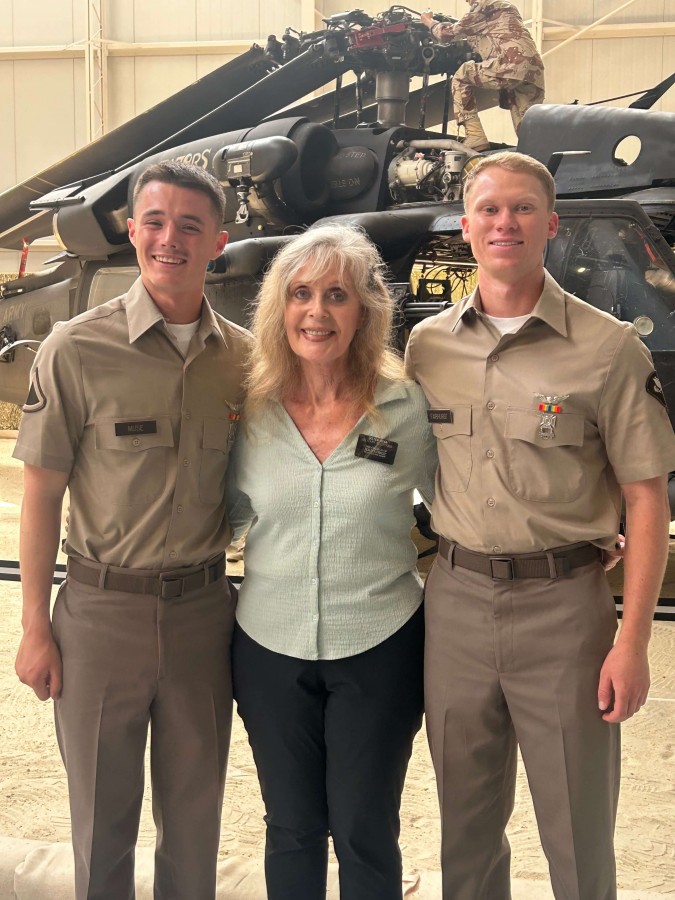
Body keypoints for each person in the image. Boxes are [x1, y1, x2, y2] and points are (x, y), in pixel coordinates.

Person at [405, 150, 675, 899]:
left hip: (565, 610)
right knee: (463, 826)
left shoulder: (606, 349)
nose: (504, 223)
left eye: (521, 208)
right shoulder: (426, 349)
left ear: (549, 225)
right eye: (488, 209)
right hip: (455, 603)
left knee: (575, 830)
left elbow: (648, 498)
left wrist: (632, 642)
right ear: (465, 227)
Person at [13, 160, 251, 899]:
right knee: (101, 824)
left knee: (193, 823)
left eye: (190, 225)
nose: (169, 239)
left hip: (203, 617)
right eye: (154, 221)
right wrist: (33, 625)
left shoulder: (244, 361)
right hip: (99, 615)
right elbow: (41, 491)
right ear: (130, 230)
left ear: (219, 240)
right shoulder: (76, 350)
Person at [226, 223, 437, 900]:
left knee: (362, 826)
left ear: (365, 311)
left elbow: (466, 501)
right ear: (278, 307)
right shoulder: (248, 412)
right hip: (268, 648)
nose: (316, 312)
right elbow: (217, 513)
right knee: (290, 826)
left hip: (378, 644)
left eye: (336, 295)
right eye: (301, 293)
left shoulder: (406, 408)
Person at [421, 2, 545, 150]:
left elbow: (446, 34)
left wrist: (429, 21)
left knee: (463, 75)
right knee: (527, 124)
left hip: (510, 65)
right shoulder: (506, 6)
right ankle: (537, 152)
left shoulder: (483, 5)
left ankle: (475, 136)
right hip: (533, 70)